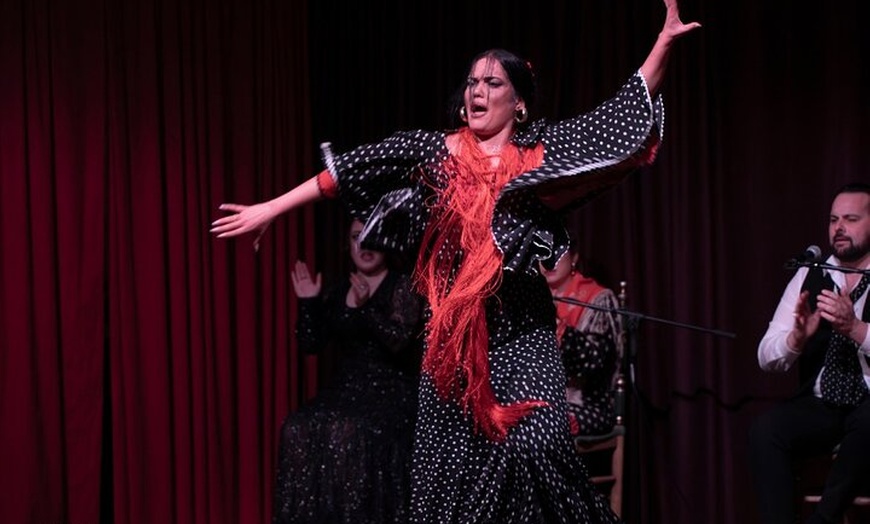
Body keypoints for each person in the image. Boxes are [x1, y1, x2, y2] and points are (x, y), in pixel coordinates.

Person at [212, 1, 699, 521]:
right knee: (456, 477)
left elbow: (619, 116)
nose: (477, 92)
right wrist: (271, 208)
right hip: (454, 337)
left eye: (492, 84)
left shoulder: (541, 153)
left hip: (522, 329)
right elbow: (349, 169)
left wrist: (663, 43)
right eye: (472, 82)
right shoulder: (435, 152)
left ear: (519, 103)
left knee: (537, 446)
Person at [272, 219, 425, 524]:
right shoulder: (339, 288)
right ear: (347, 244)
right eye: (357, 237)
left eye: (373, 237)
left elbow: (400, 343)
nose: (365, 246)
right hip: (345, 390)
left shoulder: (403, 286)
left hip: (392, 391)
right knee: (296, 427)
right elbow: (311, 343)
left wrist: (366, 308)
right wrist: (308, 303)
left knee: (349, 431)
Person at [750, 182, 870, 524]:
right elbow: (765, 354)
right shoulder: (809, 274)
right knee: (766, 431)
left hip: (868, 403)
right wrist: (795, 341)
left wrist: (856, 329)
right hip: (823, 404)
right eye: (834, 220)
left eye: (851, 218)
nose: (839, 228)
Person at [540, 240, 623, 437]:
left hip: (586, 404)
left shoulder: (598, 299)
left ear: (574, 257)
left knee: (536, 425)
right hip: (536, 401)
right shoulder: (528, 300)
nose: (549, 260)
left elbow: (596, 363)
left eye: (557, 253)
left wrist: (558, 326)